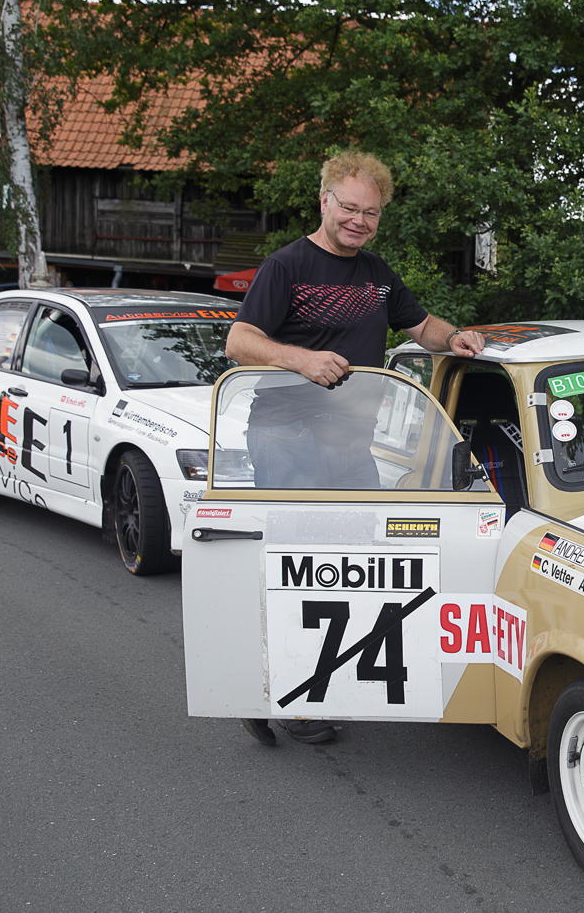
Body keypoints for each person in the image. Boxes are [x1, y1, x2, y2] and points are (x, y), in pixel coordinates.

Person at [226, 149, 484, 744]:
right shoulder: (286, 266)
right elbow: (239, 340)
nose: (358, 221)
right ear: (324, 201)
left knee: (355, 566)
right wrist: (301, 360)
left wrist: (457, 337)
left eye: (370, 213)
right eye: (349, 208)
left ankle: (313, 680)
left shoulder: (377, 274)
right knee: (296, 568)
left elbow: (422, 327)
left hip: (350, 442)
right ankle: (277, 692)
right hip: (286, 437)